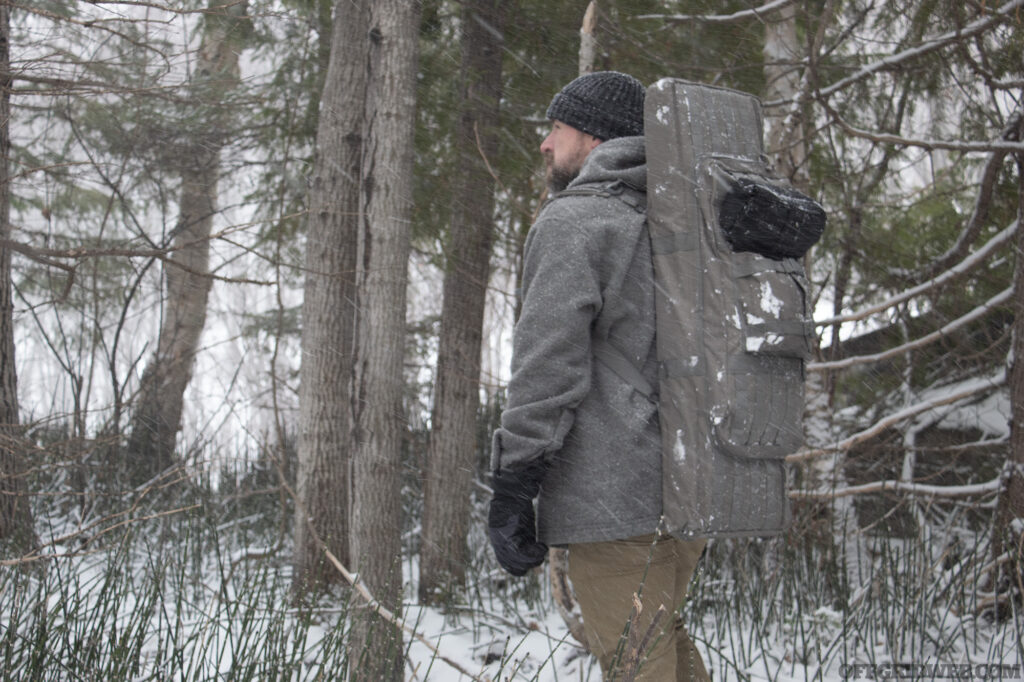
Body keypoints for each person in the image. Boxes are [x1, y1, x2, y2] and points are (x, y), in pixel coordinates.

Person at [487, 71, 710, 682]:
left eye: (555, 129)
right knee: (660, 651)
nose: (545, 144)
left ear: (591, 137)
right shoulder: (683, 221)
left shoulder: (575, 221)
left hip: (615, 498)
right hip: (690, 491)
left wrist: (513, 485)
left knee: (638, 665)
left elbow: (547, 365)